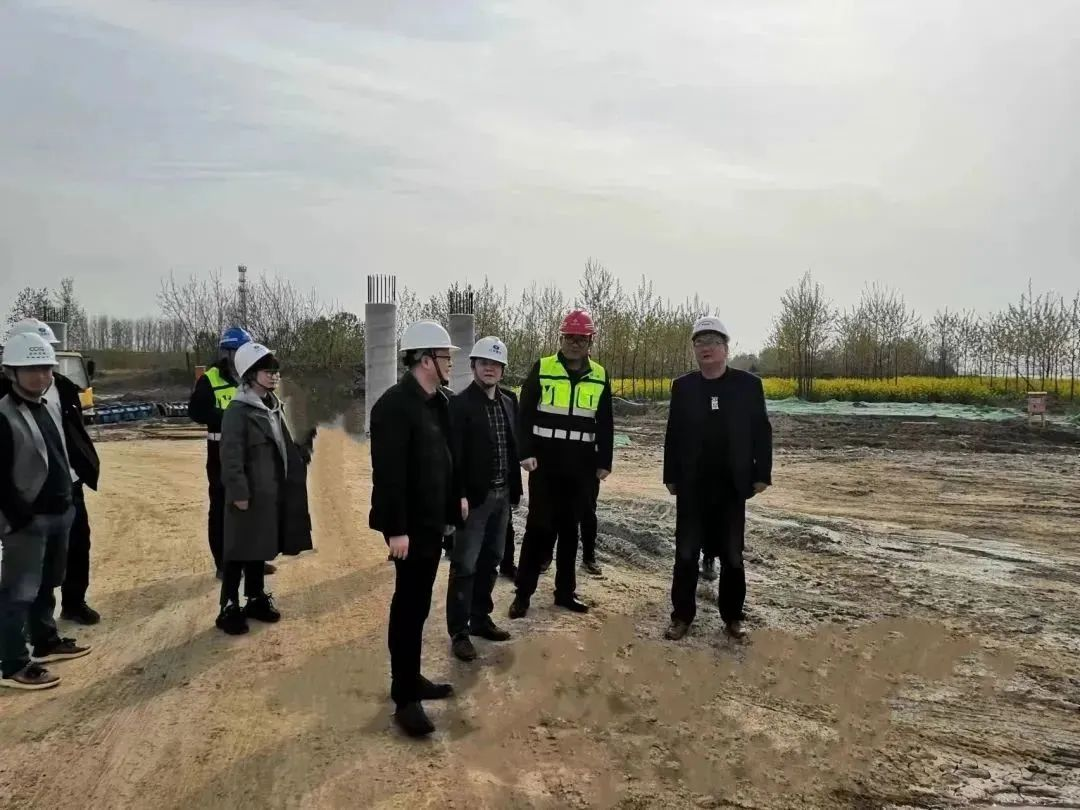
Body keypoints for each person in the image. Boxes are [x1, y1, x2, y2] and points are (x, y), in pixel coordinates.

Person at [369, 320, 466, 738]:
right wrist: (396, 530)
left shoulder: (439, 403)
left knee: (420, 606)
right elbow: (389, 476)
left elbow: (447, 459)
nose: (451, 363)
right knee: (408, 609)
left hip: (432, 523)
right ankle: (404, 697)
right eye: (445, 357)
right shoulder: (393, 406)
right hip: (408, 529)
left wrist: (456, 501)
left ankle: (412, 677)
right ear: (426, 360)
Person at [662, 317, 772, 641]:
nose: (705, 348)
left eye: (712, 342)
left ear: (725, 348)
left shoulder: (748, 386)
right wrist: (670, 474)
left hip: (731, 486)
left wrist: (762, 474)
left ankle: (733, 616)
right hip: (692, 485)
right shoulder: (683, 387)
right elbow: (673, 433)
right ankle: (681, 616)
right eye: (699, 342)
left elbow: (762, 431)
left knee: (732, 556)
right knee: (685, 553)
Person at [0, 333, 92, 691]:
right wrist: (21, 517)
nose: (41, 376)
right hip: (28, 521)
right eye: (31, 369)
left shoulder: (46, 405)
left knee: (47, 583)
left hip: (59, 512)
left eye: (46, 369)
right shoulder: (4, 415)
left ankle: (45, 640)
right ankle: (12, 663)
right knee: (17, 592)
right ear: (12, 372)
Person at [509, 308, 614, 619]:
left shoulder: (600, 374)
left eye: (581, 338)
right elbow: (524, 415)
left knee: (570, 530)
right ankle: (523, 594)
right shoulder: (543, 368)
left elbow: (605, 422)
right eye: (569, 337)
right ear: (561, 338)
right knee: (538, 528)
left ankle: (565, 593)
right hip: (545, 463)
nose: (574, 343)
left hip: (582, 466)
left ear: (591, 341)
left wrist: (604, 461)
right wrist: (525, 452)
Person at [216, 342, 314, 635]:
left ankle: (255, 598)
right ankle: (228, 606)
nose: (274, 376)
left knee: (258, 547)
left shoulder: (272, 406)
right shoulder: (238, 411)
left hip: (269, 494)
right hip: (248, 495)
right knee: (238, 550)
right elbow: (230, 457)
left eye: (276, 371)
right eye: (267, 371)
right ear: (250, 374)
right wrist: (239, 493)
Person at [446, 337, 521, 662]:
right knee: (465, 565)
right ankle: (459, 632)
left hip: (502, 496)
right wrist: (459, 495)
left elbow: (513, 447)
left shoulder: (509, 402)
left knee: (492, 559)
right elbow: (454, 457)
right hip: (474, 500)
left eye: (495, 364)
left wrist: (515, 490)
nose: (490, 368)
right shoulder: (459, 405)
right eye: (484, 363)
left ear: (502, 370)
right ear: (473, 366)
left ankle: (480, 619)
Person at [189, 327, 275, 579]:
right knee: (222, 508)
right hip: (221, 451)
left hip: (254, 451)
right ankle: (224, 564)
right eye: (235, 352)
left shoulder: (252, 379)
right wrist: (230, 417)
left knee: (253, 506)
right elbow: (196, 412)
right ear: (226, 353)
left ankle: (254, 560)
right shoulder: (210, 379)